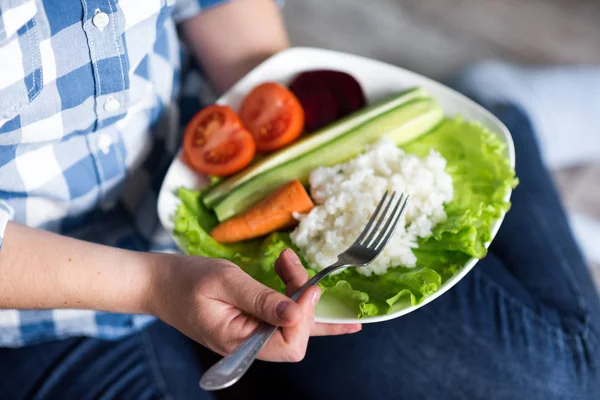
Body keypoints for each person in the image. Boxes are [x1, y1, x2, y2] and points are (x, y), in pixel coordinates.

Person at [0, 1, 599, 399]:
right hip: (51, 312)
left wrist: (282, 108)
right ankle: (513, 113)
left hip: (213, 161)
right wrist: (154, 286)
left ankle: (508, 111)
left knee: (555, 383)